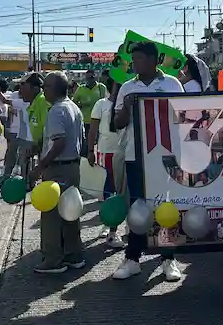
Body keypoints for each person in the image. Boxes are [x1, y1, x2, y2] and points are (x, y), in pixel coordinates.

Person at [111, 41, 185, 282]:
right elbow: (117, 123)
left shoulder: (172, 84)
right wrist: (128, 108)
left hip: (165, 155)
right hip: (136, 155)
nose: (134, 64)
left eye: (139, 59)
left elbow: (184, 118)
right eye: (133, 60)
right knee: (137, 206)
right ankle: (133, 258)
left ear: (154, 60)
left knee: (165, 205)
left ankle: (168, 258)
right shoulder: (126, 87)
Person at [31, 72, 86, 274]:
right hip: (72, 167)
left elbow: (59, 142)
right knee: (70, 212)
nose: (43, 90)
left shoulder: (56, 110)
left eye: (45, 87)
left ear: (54, 89)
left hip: (57, 168)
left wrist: (40, 167)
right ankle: (73, 255)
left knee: (51, 214)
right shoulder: (73, 107)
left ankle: (53, 259)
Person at [89, 80, 124, 248]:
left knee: (124, 192)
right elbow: (93, 129)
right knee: (109, 191)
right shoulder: (101, 104)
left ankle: (124, 227)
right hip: (106, 153)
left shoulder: (126, 105)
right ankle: (109, 226)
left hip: (125, 152)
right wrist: (90, 150)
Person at [73, 69, 108, 155]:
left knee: (99, 142)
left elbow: (106, 100)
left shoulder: (101, 87)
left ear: (95, 77)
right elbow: (74, 103)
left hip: (99, 120)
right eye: (88, 78)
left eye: (91, 77)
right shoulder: (81, 89)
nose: (90, 79)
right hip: (85, 120)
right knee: (86, 144)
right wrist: (80, 105)